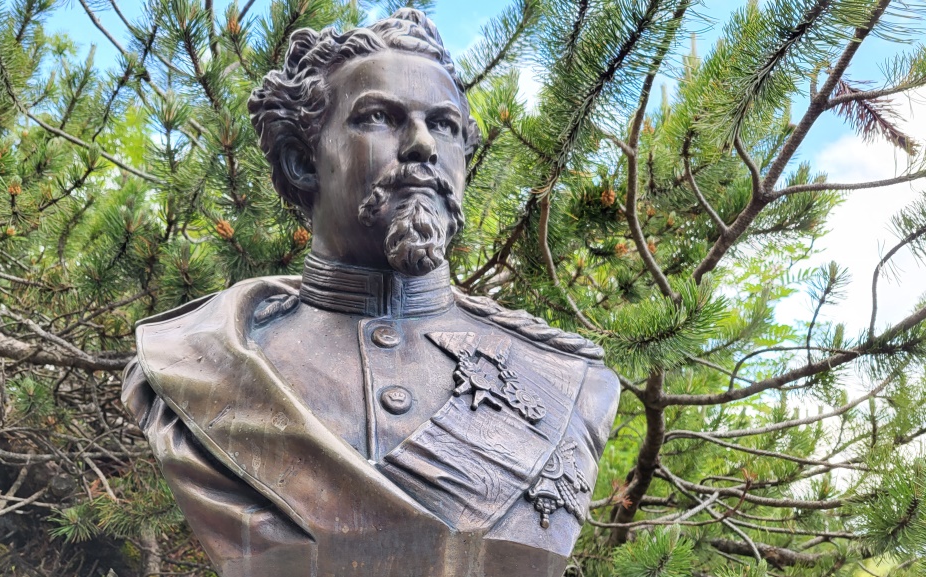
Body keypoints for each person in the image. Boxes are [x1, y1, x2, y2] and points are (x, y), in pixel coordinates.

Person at [121, 9, 619, 577]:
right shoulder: (191, 363)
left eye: (446, 125)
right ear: (303, 160)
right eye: (380, 117)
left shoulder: (570, 384)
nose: (423, 145)